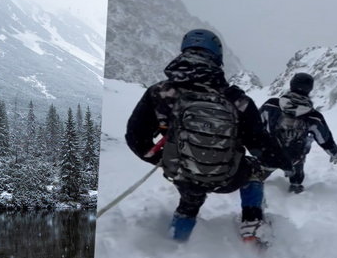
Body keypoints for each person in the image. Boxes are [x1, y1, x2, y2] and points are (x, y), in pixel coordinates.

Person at [125, 29, 292, 245]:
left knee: (189, 201)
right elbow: (260, 145)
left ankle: (174, 246)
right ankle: (251, 225)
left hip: (182, 173)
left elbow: (135, 137)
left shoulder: (158, 92)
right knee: (254, 172)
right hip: (228, 175)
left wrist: (162, 161)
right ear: (218, 58)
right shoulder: (238, 100)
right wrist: (284, 162)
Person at [259, 73, 337, 194]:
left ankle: (257, 185)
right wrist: (335, 153)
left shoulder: (271, 105)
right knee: (298, 167)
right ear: (310, 89)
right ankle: (295, 186)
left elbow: (255, 124)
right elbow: (324, 138)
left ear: (292, 84)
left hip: (270, 153)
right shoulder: (314, 116)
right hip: (294, 157)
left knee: (260, 174)